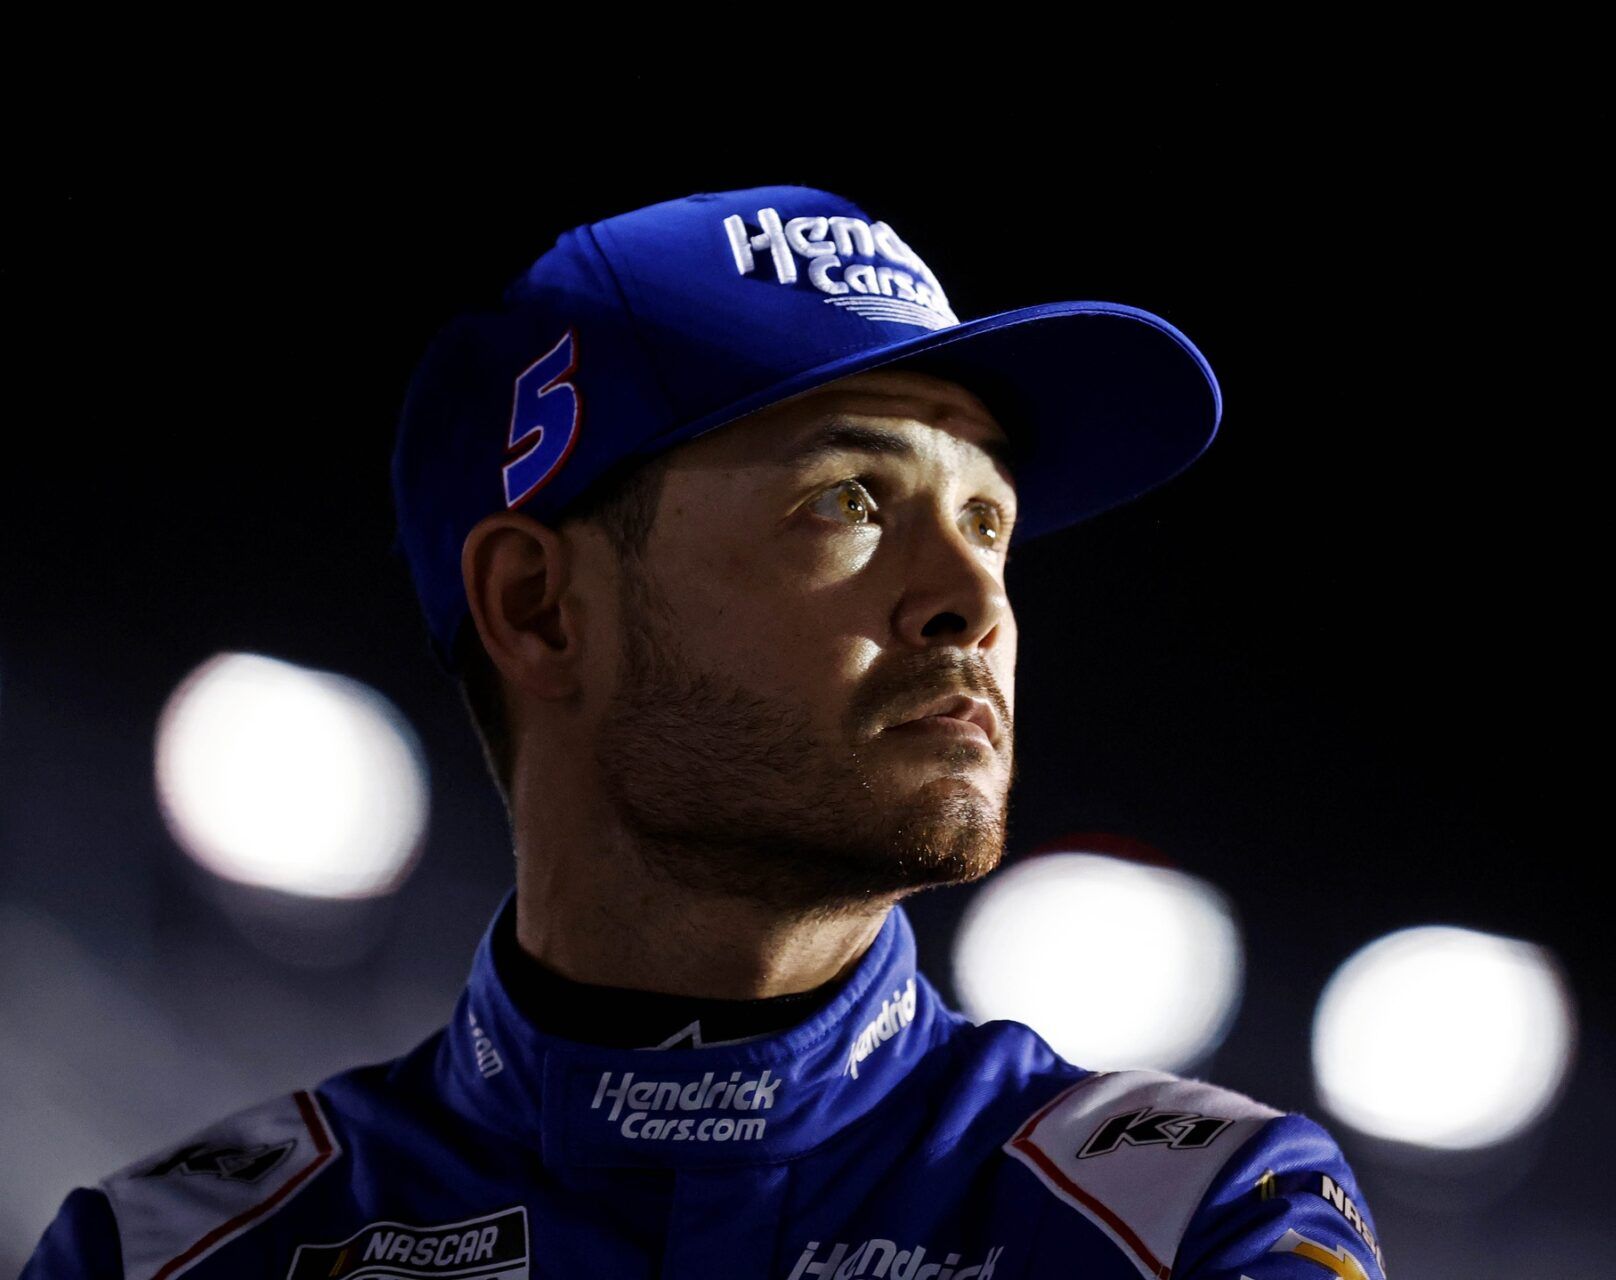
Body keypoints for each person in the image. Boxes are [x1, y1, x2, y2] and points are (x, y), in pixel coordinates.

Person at [23, 184, 1390, 1279]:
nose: (974, 600)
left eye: (989, 520)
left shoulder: (1200, 1213)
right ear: (540, 608)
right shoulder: (165, 1252)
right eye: (848, 500)